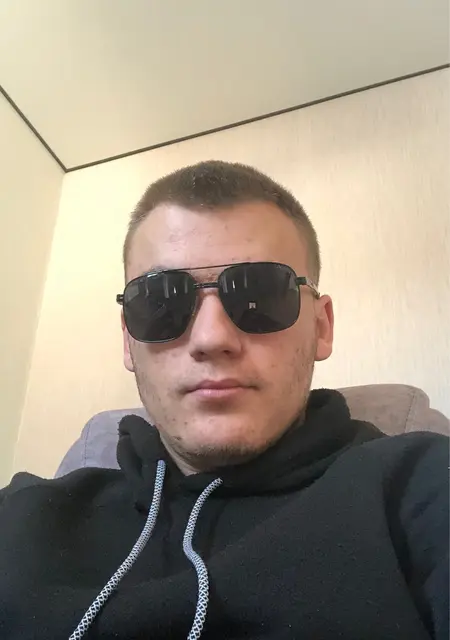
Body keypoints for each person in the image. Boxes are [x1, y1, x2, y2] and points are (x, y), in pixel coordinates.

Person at [0, 161, 448, 640]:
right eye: (160, 300)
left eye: (259, 294)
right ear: (128, 341)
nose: (212, 338)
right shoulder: (22, 521)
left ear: (321, 326)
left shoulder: (421, 489)